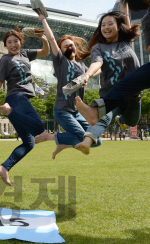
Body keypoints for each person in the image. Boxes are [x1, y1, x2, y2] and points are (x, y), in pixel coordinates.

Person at [73, 0, 142, 155]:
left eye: (109, 24)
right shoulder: (99, 48)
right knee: (102, 118)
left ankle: (121, 119)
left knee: (132, 121)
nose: (105, 28)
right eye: (102, 25)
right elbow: (97, 64)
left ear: (118, 26)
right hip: (112, 93)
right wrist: (87, 75)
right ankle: (86, 143)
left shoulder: (126, 42)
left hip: (133, 95)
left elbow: (125, 13)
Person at [0, 26, 49, 186]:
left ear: (21, 42)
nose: (13, 44)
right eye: (9, 42)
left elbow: (45, 52)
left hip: (22, 99)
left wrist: (44, 39)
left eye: (16, 41)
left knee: (29, 142)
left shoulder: (25, 54)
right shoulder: (5, 60)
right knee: (40, 130)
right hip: (16, 97)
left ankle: (4, 167)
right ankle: (9, 111)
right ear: (5, 45)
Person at [33, 10, 100, 159]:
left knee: (96, 140)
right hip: (62, 109)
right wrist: (43, 19)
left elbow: (98, 69)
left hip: (77, 112)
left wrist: (90, 73)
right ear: (61, 51)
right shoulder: (61, 61)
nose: (69, 47)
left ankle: (63, 144)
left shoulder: (82, 66)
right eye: (65, 46)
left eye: (71, 45)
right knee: (83, 137)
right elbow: (51, 38)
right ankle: (48, 137)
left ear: (76, 47)